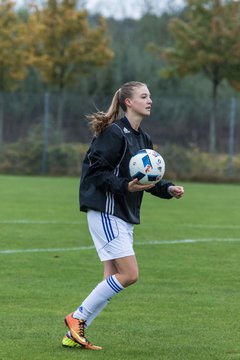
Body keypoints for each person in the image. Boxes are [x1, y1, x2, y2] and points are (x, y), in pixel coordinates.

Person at [62, 81, 184, 350]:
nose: (149, 100)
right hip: (106, 211)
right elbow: (95, 172)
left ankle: (75, 333)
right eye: (143, 96)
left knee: (111, 278)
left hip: (124, 214)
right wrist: (124, 186)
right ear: (128, 102)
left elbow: (144, 180)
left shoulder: (144, 139)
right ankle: (76, 318)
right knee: (129, 274)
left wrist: (167, 188)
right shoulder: (114, 133)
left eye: (150, 96)